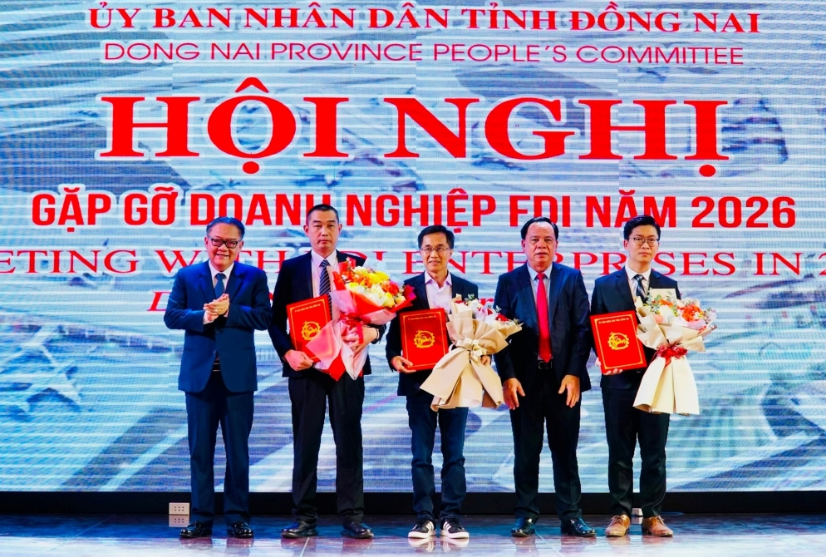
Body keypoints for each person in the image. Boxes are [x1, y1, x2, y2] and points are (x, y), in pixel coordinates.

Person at [269, 204, 384, 539]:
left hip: (347, 365)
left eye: (331, 225)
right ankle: (304, 517)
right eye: (317, 225)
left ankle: (352, 516)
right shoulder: (291, 269)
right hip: (306, 368)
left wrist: (373, 333)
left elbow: (378, 315)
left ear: (340, 228)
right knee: (306, 443)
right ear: (306, 229)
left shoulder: (357, 267)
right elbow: (275, 322)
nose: (324, 232)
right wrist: (287, 352)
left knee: (349, 442)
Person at [164, 216, 271, 539]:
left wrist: (229, 311)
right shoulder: (187, 275)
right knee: (200, 452)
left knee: (238, 453)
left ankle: (237, 518)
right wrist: (205, 316)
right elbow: (172, 316)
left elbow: (264, 317)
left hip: (238, 381)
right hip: (199, 380)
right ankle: (200, 518)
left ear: (241, 246)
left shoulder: (254, 276)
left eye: (231, 242)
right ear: (206, 241)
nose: (223, 247)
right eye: (217, 241)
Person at [493, 217, 595, 538]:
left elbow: (583, 330)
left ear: (556, 245)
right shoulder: (508, 282)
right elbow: (497, 334)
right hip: (524, 382)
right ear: (523, 245)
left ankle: (571, 516)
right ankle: (526, 515)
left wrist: (575, 373)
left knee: (565, 451)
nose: (541, 246)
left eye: (548, 240)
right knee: (526, 451)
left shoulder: (571, 278)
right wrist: (507, 377)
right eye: (534, 240)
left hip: (563, 380)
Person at [386, 225, 479, 540]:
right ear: (420, 252)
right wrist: (395, 358)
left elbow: (476, 335)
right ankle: (424, 518)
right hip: (419, 384)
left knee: (454, 454)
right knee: (421, 455)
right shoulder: (407, 290)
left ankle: (452, 517)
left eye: (440, 248)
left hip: (456, 383)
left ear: (451, 251)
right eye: (427, 248)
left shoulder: (467, 289)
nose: (434, 254)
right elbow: (393, 340)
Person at [591, 215, 680, 538]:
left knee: (655, 452)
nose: (645, 245)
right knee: (620, 450)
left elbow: (675, 329)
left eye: (651, 240)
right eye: (639, 239)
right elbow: (595, 329)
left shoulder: (668, 286)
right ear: (625, 243)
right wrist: (605, 357)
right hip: (618, 381)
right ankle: (620, 514)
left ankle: (653, 515)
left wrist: (676, 346)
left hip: (657, 379)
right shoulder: (604, 285)